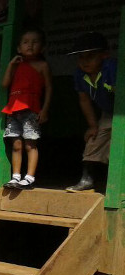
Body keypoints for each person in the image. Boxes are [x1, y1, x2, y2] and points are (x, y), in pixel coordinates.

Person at [0, 28, 51, 190]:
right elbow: (5, 84)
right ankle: (15, 176)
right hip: (14, 110)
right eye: (25, 42)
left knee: (30, 144)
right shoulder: (16, 66)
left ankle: (29, 177)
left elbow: (49, 88)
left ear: (42, 47)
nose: (30, 45)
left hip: (31, 110)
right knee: (16, 144)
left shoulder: (42, 65)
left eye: (35, 42)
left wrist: (44, 109)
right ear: (18, 48)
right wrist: (10, 65)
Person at [66, 32, 117, 193]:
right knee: (94, 140)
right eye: (81, 57)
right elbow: (84, 100)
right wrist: (93, 125)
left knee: (119, 142)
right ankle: (87, 179)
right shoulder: (80, 74)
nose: (85, 61)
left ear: (104, 55)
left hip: (121, 111)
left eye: (90, 56)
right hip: (108, 112)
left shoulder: (112, 67)